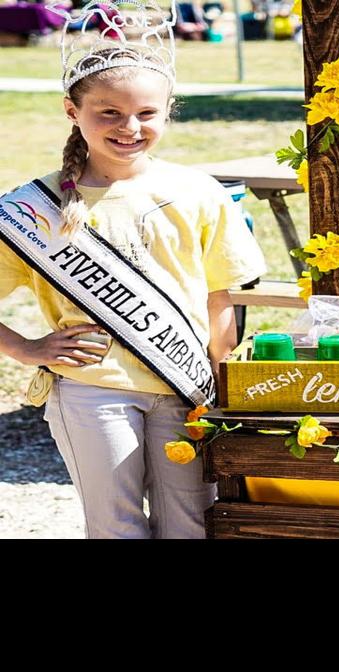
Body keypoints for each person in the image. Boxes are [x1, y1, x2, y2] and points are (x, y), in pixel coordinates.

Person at [0, 10, 267, 538]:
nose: (129, 127)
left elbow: (220, 298)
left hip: (186, 386)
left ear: (168, 113)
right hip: (90, 389)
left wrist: (221, 380)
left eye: (147, 112)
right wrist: (27, 349)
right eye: (108, 112)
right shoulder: (34, 208)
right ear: (72, 112)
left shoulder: (200, 192)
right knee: (116, 527)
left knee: (191, 524)